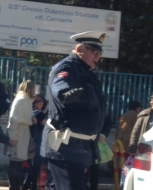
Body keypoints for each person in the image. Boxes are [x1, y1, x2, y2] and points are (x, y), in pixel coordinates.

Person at [41, 31, 107, 190]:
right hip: (66, 147)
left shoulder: (86, 72)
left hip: (79, 147)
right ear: (79, 50)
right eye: (94, 52)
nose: (97, 57)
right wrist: (69, 94)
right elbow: (62, 92)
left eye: (100, 53)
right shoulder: (67, 68)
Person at [7, 80, 36, 190]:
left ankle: (15, 187)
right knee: (15, 164)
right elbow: (14, 120)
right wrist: (13, 137)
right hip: (18, 134)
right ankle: (14, 187)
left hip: (21, 133)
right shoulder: (22, 100)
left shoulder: (24, 100)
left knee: (17, 164)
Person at [23, 94, 48, 190]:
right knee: (36, 169)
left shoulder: (31, 113)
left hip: (31, 143)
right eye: (36, 101)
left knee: (33, 169)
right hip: (38, 144)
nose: (38, 103)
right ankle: (27, 187)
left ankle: (31, 186)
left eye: (40, 100)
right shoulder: (40, 114)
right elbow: (46, 124)